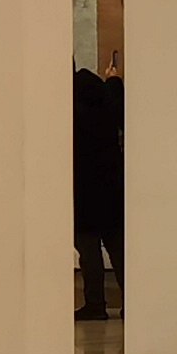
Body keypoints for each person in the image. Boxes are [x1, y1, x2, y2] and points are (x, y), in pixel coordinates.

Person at [75, 65, 126, 321]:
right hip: (111, 184)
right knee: (118, 248)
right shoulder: (107, 102)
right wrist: (114, 82)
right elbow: (120, 111)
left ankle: (95, 304)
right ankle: (132, 301)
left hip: (82, 187)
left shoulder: (70, 107)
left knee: (88, 250)